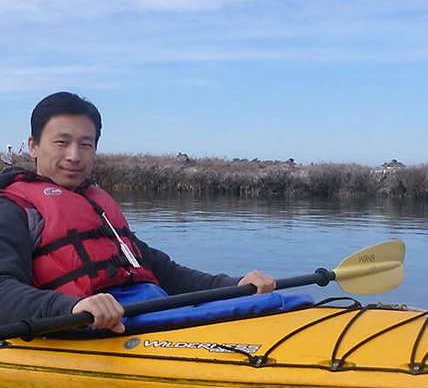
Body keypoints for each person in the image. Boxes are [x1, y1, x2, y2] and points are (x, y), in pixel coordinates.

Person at [0, 92, 276, 333]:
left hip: (146, 309)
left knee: (276, 302)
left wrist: (234, 286)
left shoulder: (96, 205)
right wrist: (72, 307)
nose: (74, 156)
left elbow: (162, 271)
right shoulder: (14, 208)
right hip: (80, 325)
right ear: (33, 146)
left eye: (86, 145)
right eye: (62, 143)